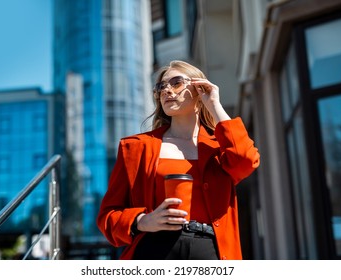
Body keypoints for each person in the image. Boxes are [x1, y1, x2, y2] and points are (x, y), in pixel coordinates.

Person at [97, 60, 260, 260]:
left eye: (176, 83)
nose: (166, 90)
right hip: (154, 250)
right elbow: (108, 215)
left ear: (199, 89)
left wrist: (214, 105)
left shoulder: (219, 147)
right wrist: (142, 220)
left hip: (210, 252)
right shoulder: (136, 147)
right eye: (161, 87)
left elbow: (245, 161)